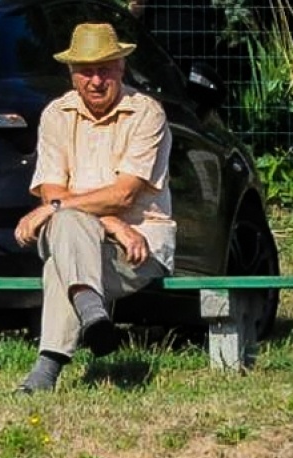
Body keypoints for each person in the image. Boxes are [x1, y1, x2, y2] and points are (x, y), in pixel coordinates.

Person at [13, 22, 176, 393]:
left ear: (121, 68)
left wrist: (63, 211)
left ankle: (47, 369)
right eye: (86, 71)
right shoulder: (56, 114)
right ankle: (91, 311)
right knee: (67, 224)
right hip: (85, 236)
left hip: (137, 248)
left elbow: (124, 195)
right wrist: (110, 222)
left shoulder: (146, 113)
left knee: (61, 259)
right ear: (72, 75)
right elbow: (54, 191)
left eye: (105, 69)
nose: (96, 80)